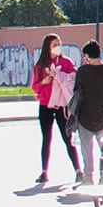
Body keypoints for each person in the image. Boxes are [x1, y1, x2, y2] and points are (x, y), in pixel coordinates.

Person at [31, 34, 79, 184]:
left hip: (62, 106)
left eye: (59, 44)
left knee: (67, 138)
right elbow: (34, 87)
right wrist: (44, 81)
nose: (57, 47)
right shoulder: (41, 65)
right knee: (46, 138)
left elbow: (73, 79)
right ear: (48, 48)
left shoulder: (66, 62)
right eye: (54, 45)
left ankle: (78, 169)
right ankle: (44, 171)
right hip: (45, 105)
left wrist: (60, 75)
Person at [72, 41, 103, 186]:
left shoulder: (82, 71)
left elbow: (77, 90)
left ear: (86, 55)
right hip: (101, 113)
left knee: (87, 149)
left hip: (84, 114)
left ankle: (88, 177)